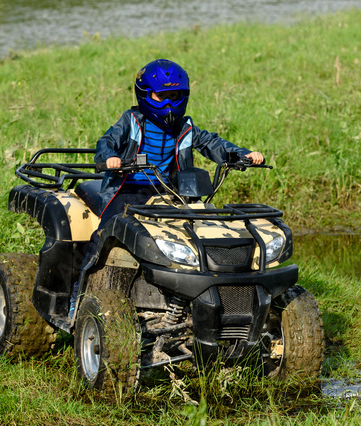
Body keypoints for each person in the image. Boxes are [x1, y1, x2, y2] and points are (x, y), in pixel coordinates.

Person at [70, 58, 264, 316]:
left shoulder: (186, 127)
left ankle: (191, 296)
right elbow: (106, 142)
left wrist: (244, 154)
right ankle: (77, 297)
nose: (170, 104)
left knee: (192, 237)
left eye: (176, 96)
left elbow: (213, 144)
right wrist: (109, 158)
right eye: (162, 96)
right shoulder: (131, 121)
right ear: (145, 95)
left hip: (168, 192)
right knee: (102, 237)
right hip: (125, 190)